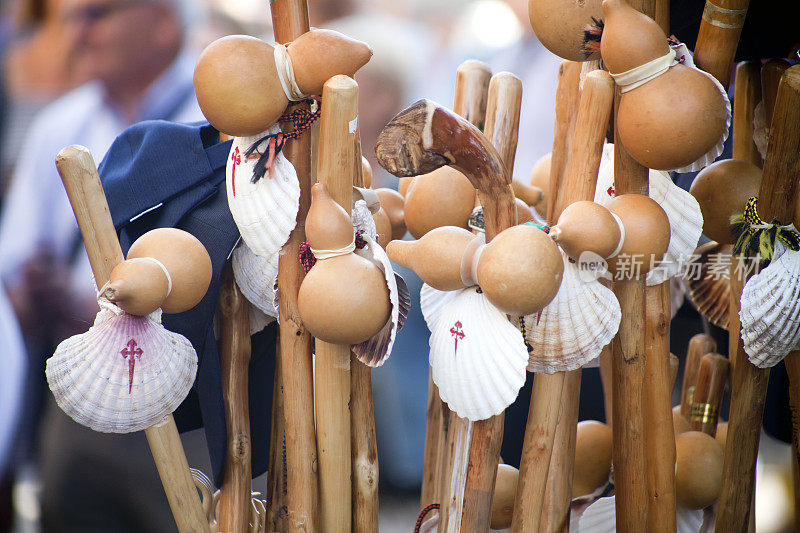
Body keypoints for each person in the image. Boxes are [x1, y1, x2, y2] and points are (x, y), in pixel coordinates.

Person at [0, 0, 208, 530]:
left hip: (200, 406)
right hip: (82, 398)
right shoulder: (60, 125)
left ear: (163, 22)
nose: (78, 31)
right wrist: (39, 296)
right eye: (70, 18)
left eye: (97, 13)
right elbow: (16, 264)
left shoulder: (220, 120)